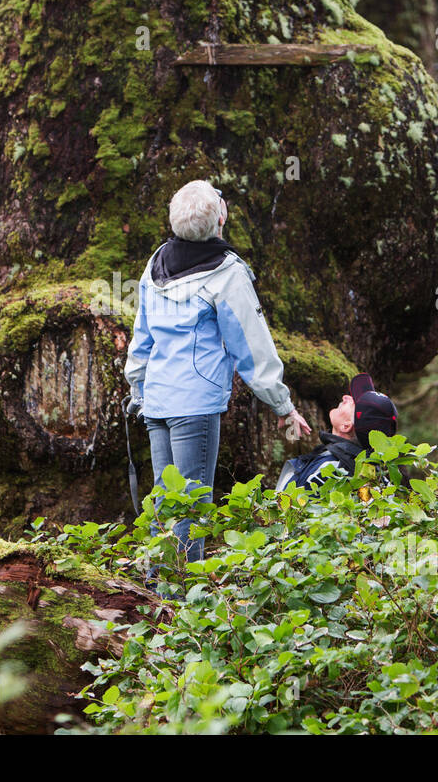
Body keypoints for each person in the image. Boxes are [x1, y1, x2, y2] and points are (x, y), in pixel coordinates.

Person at [125, 179, 311, 572]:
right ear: (221, 219)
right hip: (194, 404)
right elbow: (252, 346)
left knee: (165, 500)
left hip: (156, 399)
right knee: (191, 504)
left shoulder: (156, 262)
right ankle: (179, 606)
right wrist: (282, 405)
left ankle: (160, 595)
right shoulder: (228, 272)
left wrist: (137, 387)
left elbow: (141, 335)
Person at [275, 373, 398, 491]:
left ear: (346, 426)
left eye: (353, 402)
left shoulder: (329, 471)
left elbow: (288, 509)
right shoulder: (382, 482)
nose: (346, 397)